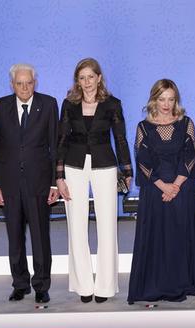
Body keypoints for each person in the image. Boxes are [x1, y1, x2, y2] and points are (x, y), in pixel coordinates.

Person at [127, 79, 195, 303]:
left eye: (171, 99)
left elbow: (191, 156)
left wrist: (175, 186)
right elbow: (143, 161)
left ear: (176, 100)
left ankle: (183, 282)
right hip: (154, 191)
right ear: (153, 100)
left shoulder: (186, 123)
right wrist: (162, 185)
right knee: (157, 238)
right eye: (162, 99)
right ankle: (157, 284)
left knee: (181, 236)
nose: (166, 104)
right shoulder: (143, 127)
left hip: (183, 190)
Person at [56, 57, 132, 304]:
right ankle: (83, 285)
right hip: (73, 166)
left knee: (107, 225)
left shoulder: (113, 104)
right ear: (77, 81)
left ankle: (106, 286)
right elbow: (61, 141)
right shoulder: (68, 105)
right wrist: (59, 176)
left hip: (105, 165)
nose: (87, 82)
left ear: (99, 77)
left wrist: (128, 170)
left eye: (91, 76)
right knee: (76, 226)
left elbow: (120, 139)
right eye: (82, 77)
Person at [0, 63, 60, 304]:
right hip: (8, 184)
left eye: (29, 82)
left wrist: (54, 183)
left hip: (39, 183)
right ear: (12, 85)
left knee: (40, 237)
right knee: (14, 237)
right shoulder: (0, 106)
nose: (25, 87)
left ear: (35, 83)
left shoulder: (48, 105)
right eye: (19, 83)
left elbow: (54, 147)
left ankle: (41, 285)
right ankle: (20, 284)